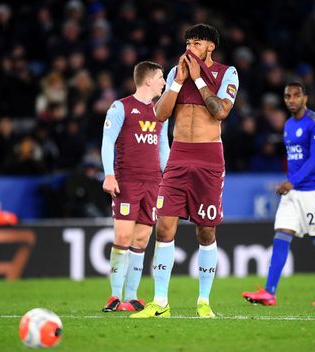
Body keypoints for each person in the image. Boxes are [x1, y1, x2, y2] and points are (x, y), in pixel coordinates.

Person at [131, 24, 239, 319]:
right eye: (189, 41)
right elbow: (159, 114)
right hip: (178, 156)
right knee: (164, 227)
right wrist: (178, 82)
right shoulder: (175, 73)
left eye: (198, 42)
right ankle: (160, 302)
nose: (191, 47)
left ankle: (203, 301)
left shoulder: (227, 73)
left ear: (210, 47)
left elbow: (221, 112)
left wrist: (198, 81)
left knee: (205, 231)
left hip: (209, 157)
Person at [242, 82, 315, 306]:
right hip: (294, 192)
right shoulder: (288, 125)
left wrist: (292, 181)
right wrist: (292, 184)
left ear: (305, 98)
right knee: (281, 235)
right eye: (288, 96)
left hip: (314, 191)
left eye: (297, 95)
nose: (292, 100)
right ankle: (269, 292)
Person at [101, 61, 169, 312]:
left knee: (141, 239)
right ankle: (114, 296)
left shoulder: (162, 111)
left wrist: (169, 177)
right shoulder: (121, 107)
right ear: (148, 80)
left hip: (153, 182)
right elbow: (107, 142)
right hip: (127, 181)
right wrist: (109, 175)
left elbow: (163, 148)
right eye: (161, 77)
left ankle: (132, 297)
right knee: (122, 236)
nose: (164, 82)